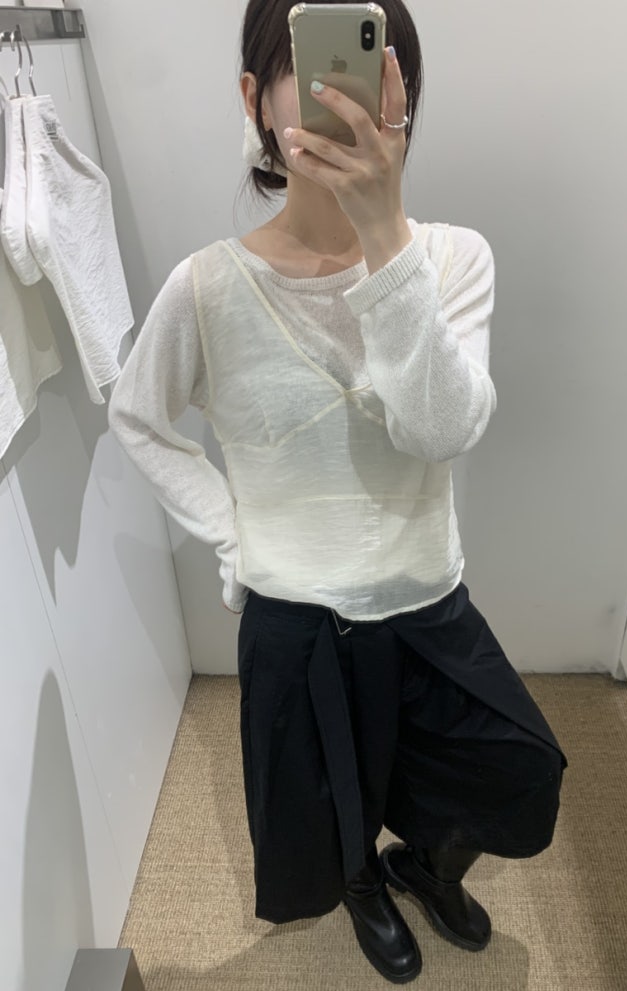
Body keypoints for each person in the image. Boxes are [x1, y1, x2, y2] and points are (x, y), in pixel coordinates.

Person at [108, 0, 569, 983]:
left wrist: (383, 237)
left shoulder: (450, 260)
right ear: (254, 96)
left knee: (518, 775)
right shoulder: (205, 287)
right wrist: (233, 534)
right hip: (293, 610)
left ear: (402, 98)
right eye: (307, 63)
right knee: (327, 793)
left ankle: (425, 864)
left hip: (422, 594)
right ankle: (361, 880)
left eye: (368, 62)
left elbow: (440, 430)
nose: (340, 90)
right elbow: (137, 418)